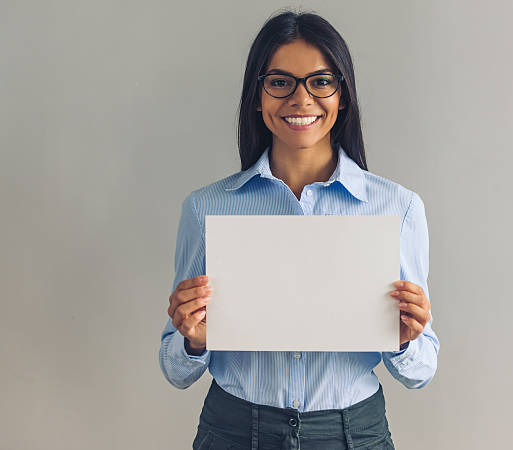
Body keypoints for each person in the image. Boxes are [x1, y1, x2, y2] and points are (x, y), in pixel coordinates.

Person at [159, 9, 440, 450]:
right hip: (234, 430)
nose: (301, 99)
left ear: (342, 95)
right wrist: (193, 340)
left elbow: (421, 372)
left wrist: (406, 341)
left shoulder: (398, 208)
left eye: (321, 81)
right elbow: (176, 370)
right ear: (258, 95)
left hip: (352, 433)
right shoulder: (206, 208)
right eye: (280, 81)